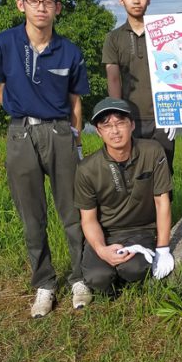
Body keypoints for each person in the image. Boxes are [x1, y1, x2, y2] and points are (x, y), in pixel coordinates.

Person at [0, 0, 92, 318]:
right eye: (33, 0)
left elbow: (76, 101)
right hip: (21, 134)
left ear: (57, 8)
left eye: (48, 1)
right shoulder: (0, 44)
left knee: (73, 210)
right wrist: (24, 113)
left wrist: (75, 139)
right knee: (31, 214)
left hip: (61, 133)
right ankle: (44, 283)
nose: (41, 7)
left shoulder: (70, 50)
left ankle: (80, 277)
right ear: (21, 5)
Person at [74, 98, 174, 295]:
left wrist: (163, 248)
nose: (115, 131)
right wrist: (102, 249)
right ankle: (109, 272)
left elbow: (162, 202)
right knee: (98, 279)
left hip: (142, 231)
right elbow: (88, 219)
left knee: (134, 269)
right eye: (107, 125)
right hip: (107, 232)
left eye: (121, 123)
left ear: (132, 125)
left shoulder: (152, 151)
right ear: (98, 131)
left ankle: (130, 272)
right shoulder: (87, 168)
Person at [102, 0, 176, 173]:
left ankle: (167, 205)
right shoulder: (113, 37)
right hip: (130, 117)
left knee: (164, 170)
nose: (136, 1)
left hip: (163, 115)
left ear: (148, 0)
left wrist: (174, 113)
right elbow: (114, 78)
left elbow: (175, 73)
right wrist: (117, 114)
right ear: (121, 1)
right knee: (135, 172)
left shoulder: (164, 33)